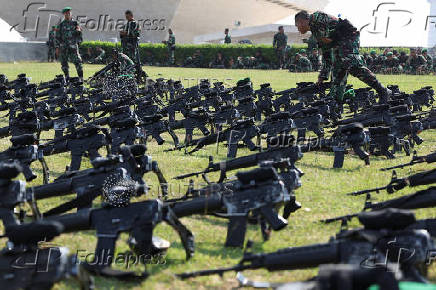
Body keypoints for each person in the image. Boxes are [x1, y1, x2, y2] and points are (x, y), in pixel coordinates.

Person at [294, 10, 391, 103]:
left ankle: (383, 91)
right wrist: (323, 76)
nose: (298, 29)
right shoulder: (315, 29)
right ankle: (336, 102)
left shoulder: (317, 18)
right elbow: (326, 52)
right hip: (339, 43)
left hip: (348, 37)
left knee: (352, 65)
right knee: (338, 71)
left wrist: (326, 42)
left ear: (301, 21)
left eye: (297, 25)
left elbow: (328, 41)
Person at [56, 7, 83, 81]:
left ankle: (81, 78)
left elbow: (79, 35)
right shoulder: (61, 25)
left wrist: (79, 31)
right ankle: (67, 78)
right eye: (66, 13)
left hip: (73, 46)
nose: (68, 14)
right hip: (64, 47)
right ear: (64, 14)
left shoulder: (75, 23)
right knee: (64, 63)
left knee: (78, 62)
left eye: (69, 13)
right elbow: (57, 37)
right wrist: (57, 47)